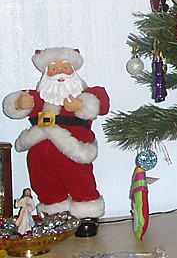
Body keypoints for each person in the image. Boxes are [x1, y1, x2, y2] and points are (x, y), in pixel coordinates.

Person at [3, 47, 110, 237]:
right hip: (40, 150)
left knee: (80, 179)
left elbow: (102, 102)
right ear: (46, 73)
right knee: (43, 179)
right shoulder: (38, 97)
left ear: (74, 70)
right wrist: (19, 103)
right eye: (53, 68)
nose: (60, 72)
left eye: (65, 67)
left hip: (74, 148)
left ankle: (87, 213)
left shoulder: (83, 93)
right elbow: (12, 106)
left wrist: (81, 104)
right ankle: (55, 212)